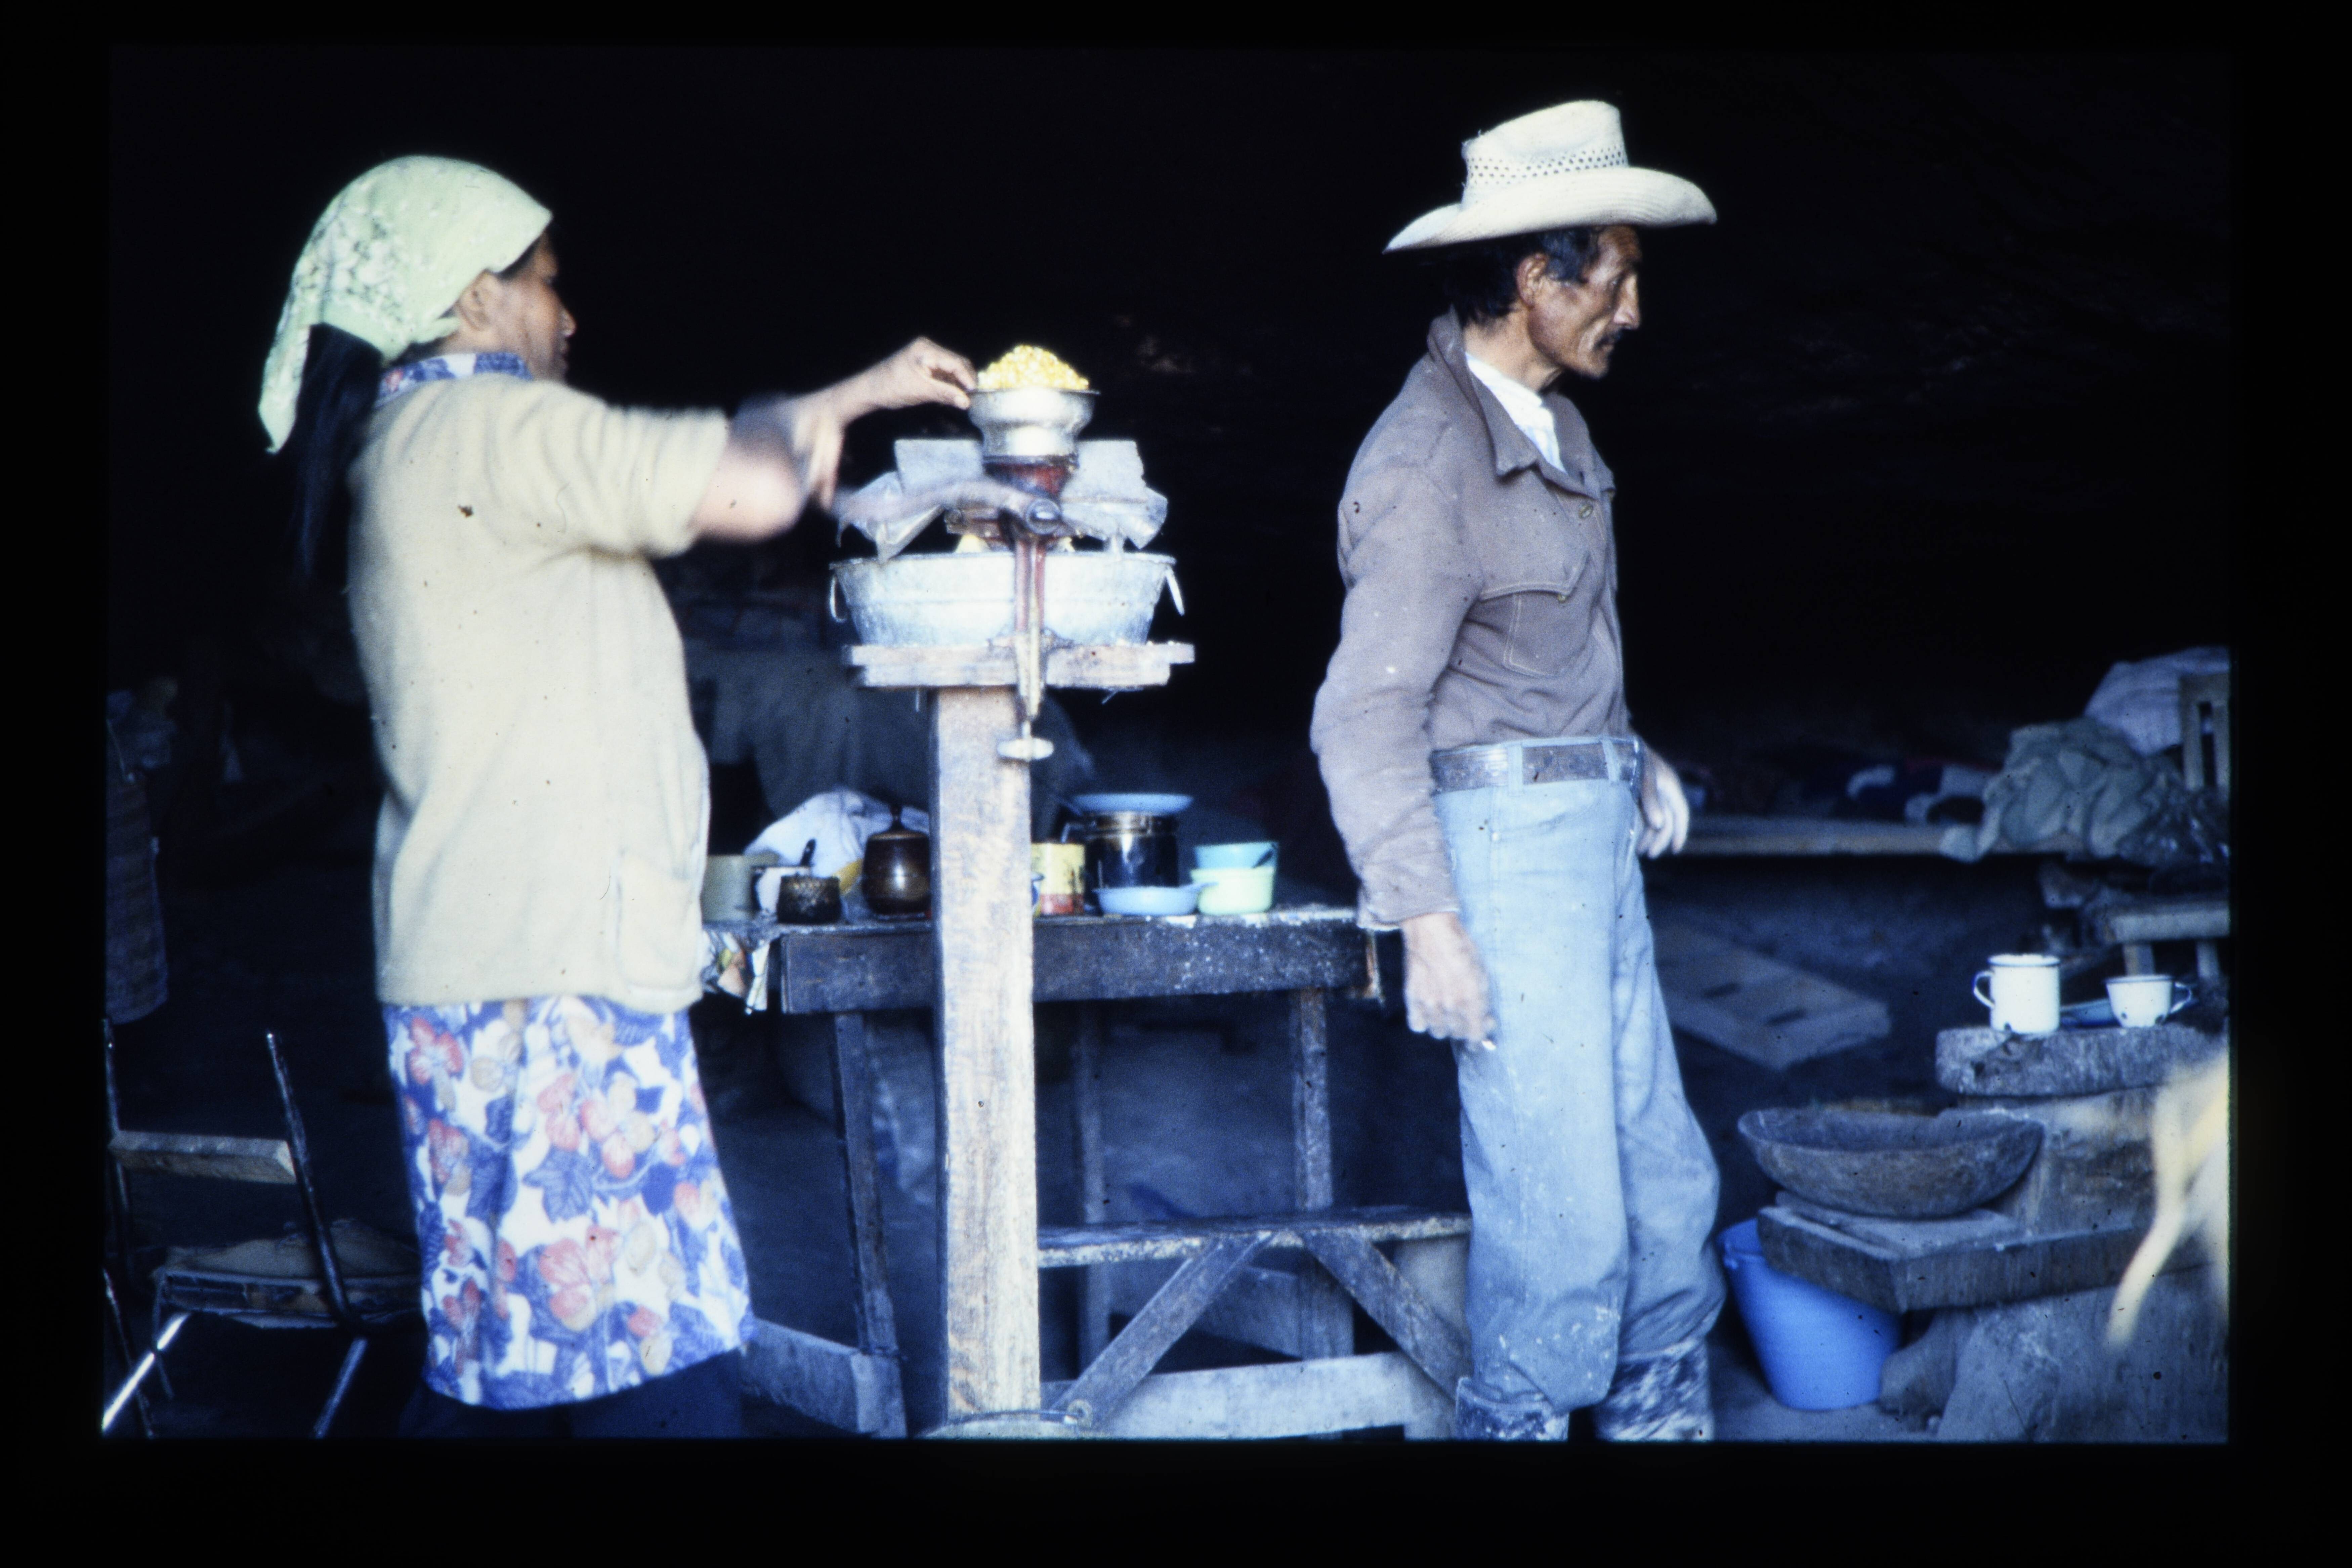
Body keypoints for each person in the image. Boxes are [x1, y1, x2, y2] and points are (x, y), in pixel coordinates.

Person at [260, 155, 976, 1436]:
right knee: (656, 1363)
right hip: (558, 982)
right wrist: (855, 411)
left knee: (506, 1356)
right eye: (546, 283)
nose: (568, 313)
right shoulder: (497, 428)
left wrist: (851, 395)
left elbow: (719, 462)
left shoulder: (408, 444)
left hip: (478, 969)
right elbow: (746, 483)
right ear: (473, 299)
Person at [1309, 102, 1724, 1440]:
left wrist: (1628, 752)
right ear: (1537, 277)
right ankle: (1523, 1420)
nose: (1633, 311)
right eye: (1616, 279)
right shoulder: (1426, 462)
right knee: (1557, 1195)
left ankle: (1661, 1409)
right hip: (1499, 856)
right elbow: (1364, 717)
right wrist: (1427, 922)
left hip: (1590, 837)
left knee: (1659, 1168)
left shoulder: (1560, 433)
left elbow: (1535, 650)